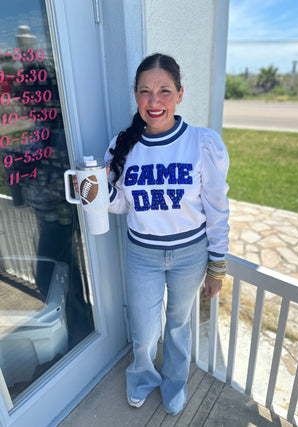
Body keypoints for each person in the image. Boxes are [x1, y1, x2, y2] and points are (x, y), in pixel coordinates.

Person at [104, 53, 230, 415]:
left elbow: (217, 208)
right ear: (135, 95)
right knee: (144, 330)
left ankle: (175, 381)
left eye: (164, 90)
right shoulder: (122, 145)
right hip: (142, 253)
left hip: (190, 253)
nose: (154, 101)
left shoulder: (202, 144)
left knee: (178, 325)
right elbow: (123, 204)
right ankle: (142, 378)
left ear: (180, 93)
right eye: (145, 91)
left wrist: (217, 263)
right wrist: (97, 195)